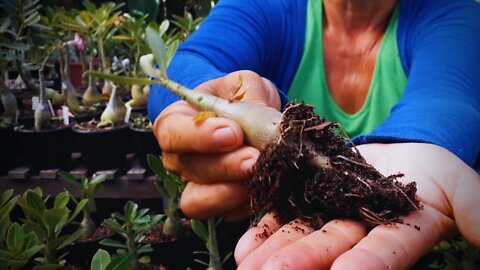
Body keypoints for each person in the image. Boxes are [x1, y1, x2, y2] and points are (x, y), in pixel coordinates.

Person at [149, 0, 480, 268]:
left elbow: (446, 99)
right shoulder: (266, 7)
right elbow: (189, 63)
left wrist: (416, 144)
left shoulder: (452, 13)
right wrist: (247, 105)